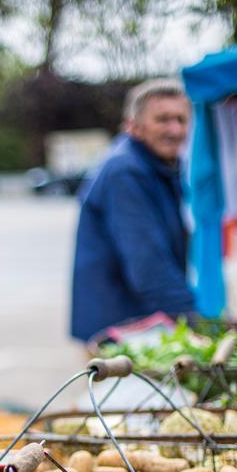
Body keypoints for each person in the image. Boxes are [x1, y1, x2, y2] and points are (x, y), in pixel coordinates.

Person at [70, 78, 196, 342]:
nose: (174, 129)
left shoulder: (158, 165)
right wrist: (192, 319)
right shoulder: (126, 171)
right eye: (162, 119)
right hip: (119, 328)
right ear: (133, 126)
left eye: (181, 120)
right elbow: (148, 263)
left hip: (134, 320)